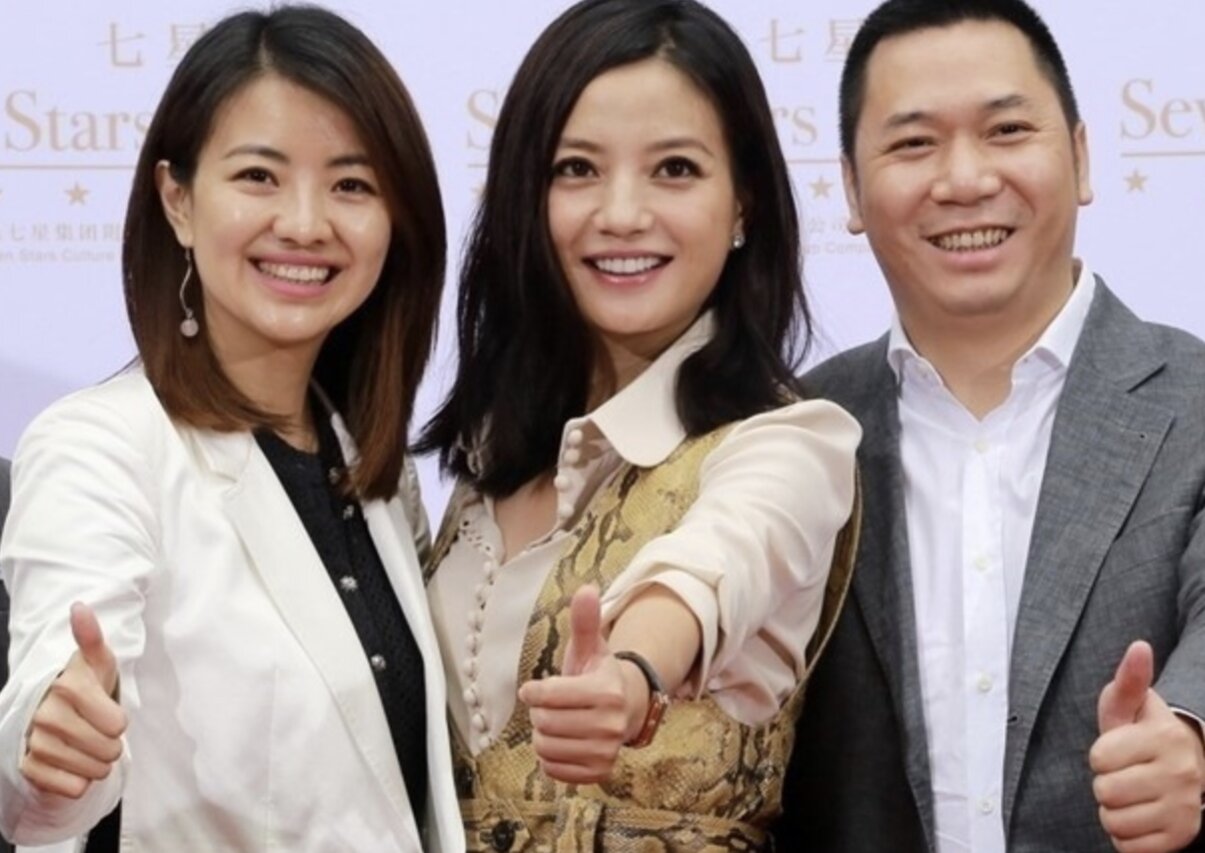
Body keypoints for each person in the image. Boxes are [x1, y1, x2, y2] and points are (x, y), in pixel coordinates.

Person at [0, 6, 463, 851]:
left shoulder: (371, 463)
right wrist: (53, 737)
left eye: (352, 185)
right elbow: (49, 741)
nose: (305, 222)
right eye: (258, 176)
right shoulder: (98, 446)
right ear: (178, 200)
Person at [418, 0, 861, 848]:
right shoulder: (487, 463)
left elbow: (715, 564)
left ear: (744, 205)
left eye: (675, 169)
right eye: (576, 168)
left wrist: (628, 673)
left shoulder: (789, 444)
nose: (621, 212)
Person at [779, 1, 1205, 851]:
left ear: (1080, 157)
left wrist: (1191, 729)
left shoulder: (1192, 397)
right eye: (913, 143)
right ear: (851, 189)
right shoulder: (796, 431)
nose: (965, 179)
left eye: (1006, 130)